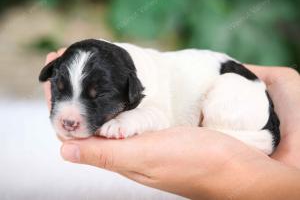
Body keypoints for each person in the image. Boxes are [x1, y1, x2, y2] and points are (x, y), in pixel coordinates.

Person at [44, 49, 300, 199]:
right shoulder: (129, 70)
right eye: (61, 91)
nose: (69, 116)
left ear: (131, 89)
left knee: (225, 92)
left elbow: (156, 116)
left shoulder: (145, 83)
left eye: (97, 96)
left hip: (239, 99)